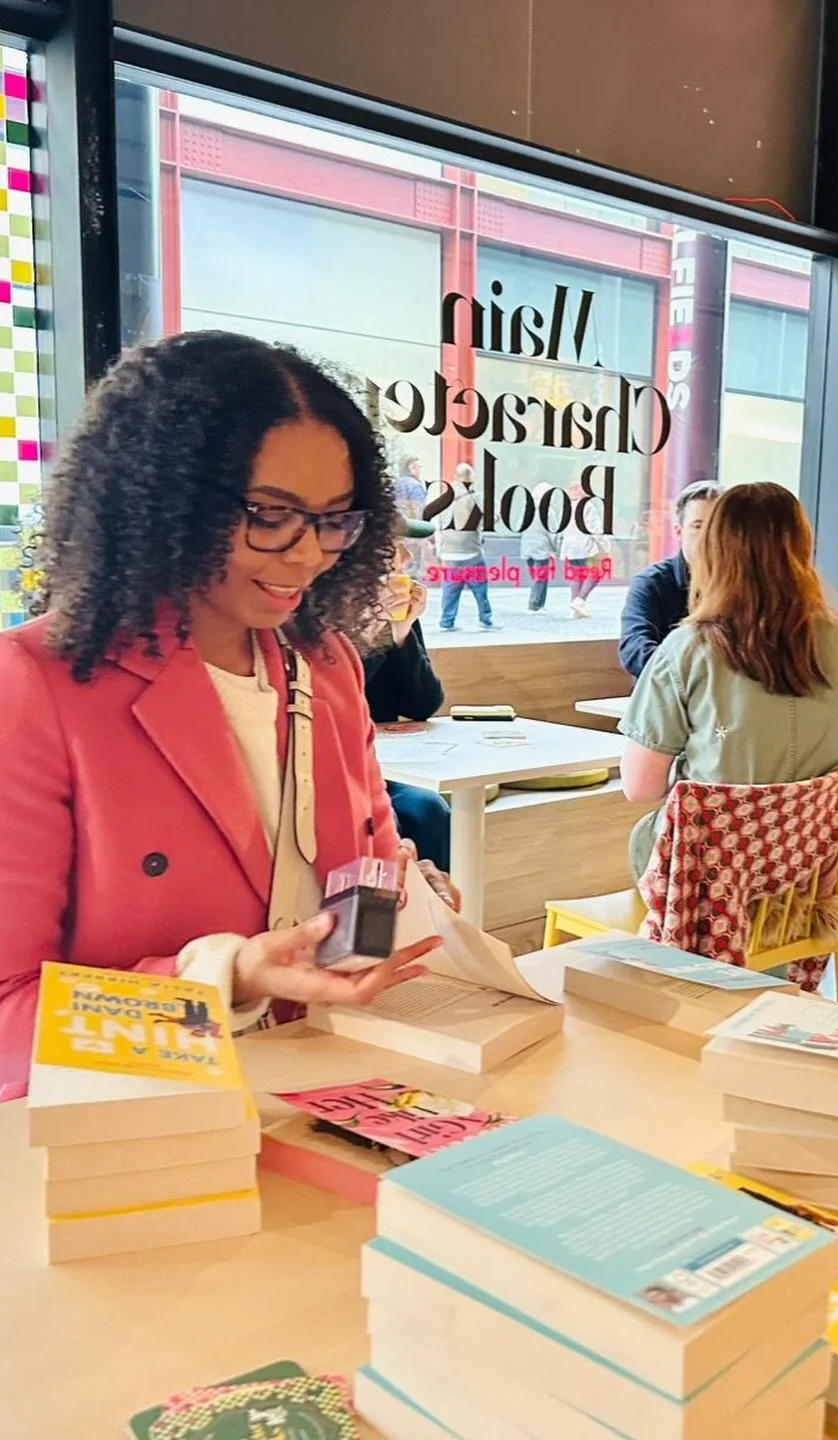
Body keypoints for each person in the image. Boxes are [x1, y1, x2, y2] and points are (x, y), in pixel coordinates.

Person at [0, 331, 447, 1098]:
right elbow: (9, 1020)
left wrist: (395, 916)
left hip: (317, 1096)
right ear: (160, 502)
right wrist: (223, 980)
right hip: (143, 1129)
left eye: (336, 519)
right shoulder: (35, 686)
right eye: (270, 515)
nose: (307, 555)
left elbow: (366, 873)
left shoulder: (326, 665)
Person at [619, 482, 838, 883]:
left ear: (715, 550)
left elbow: (640, 788)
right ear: (802, 547)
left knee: (645, 835)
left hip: (713, 890)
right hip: (811, 877)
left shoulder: (687, 650)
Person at [363, 519, 452, 871]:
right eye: (392, 548)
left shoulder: (395, 612)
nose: (405, 558)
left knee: (429, 809)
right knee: (387, 823)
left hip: (383, 766)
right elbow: (335, 701)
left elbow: (423, 705)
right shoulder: (322, 614)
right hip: (336, 769)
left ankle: (437, 905)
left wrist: (401, 633)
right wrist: (371, 635)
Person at [618, 480, 721, 678]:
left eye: (718, 527)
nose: (710, 536)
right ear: (678, 531)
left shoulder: (744, 583)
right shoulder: (651, 583)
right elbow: (635, 651)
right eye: (698, 526)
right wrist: (700, 678)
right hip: (667, 693)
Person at [424, 460, 497, 631]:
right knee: (479, 587)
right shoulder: (476, 498)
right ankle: (486, 619)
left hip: (449, 552)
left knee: (450, 588)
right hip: (471, 551)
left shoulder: (445, 498)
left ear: (456, 477)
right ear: (472, 478)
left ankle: (447, 621)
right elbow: (492, 519)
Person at [562, 487, 612, 619]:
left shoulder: (566, 507)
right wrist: (605, 547)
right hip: (585, 546)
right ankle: (579, 600)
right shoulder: (587, 507)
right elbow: (595, 529)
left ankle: (575, 609)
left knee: (576, 576)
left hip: (570, 547)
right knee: (596, 572)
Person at [519, 481, 559, 612]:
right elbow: (553, 533)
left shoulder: (527, 509)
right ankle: (534, 605)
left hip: (527, 549)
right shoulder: (548, 512)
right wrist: (556, 549)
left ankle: (540, 605)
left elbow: (519, 527)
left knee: (537, 577)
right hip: (542, 550)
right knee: (540, 578)